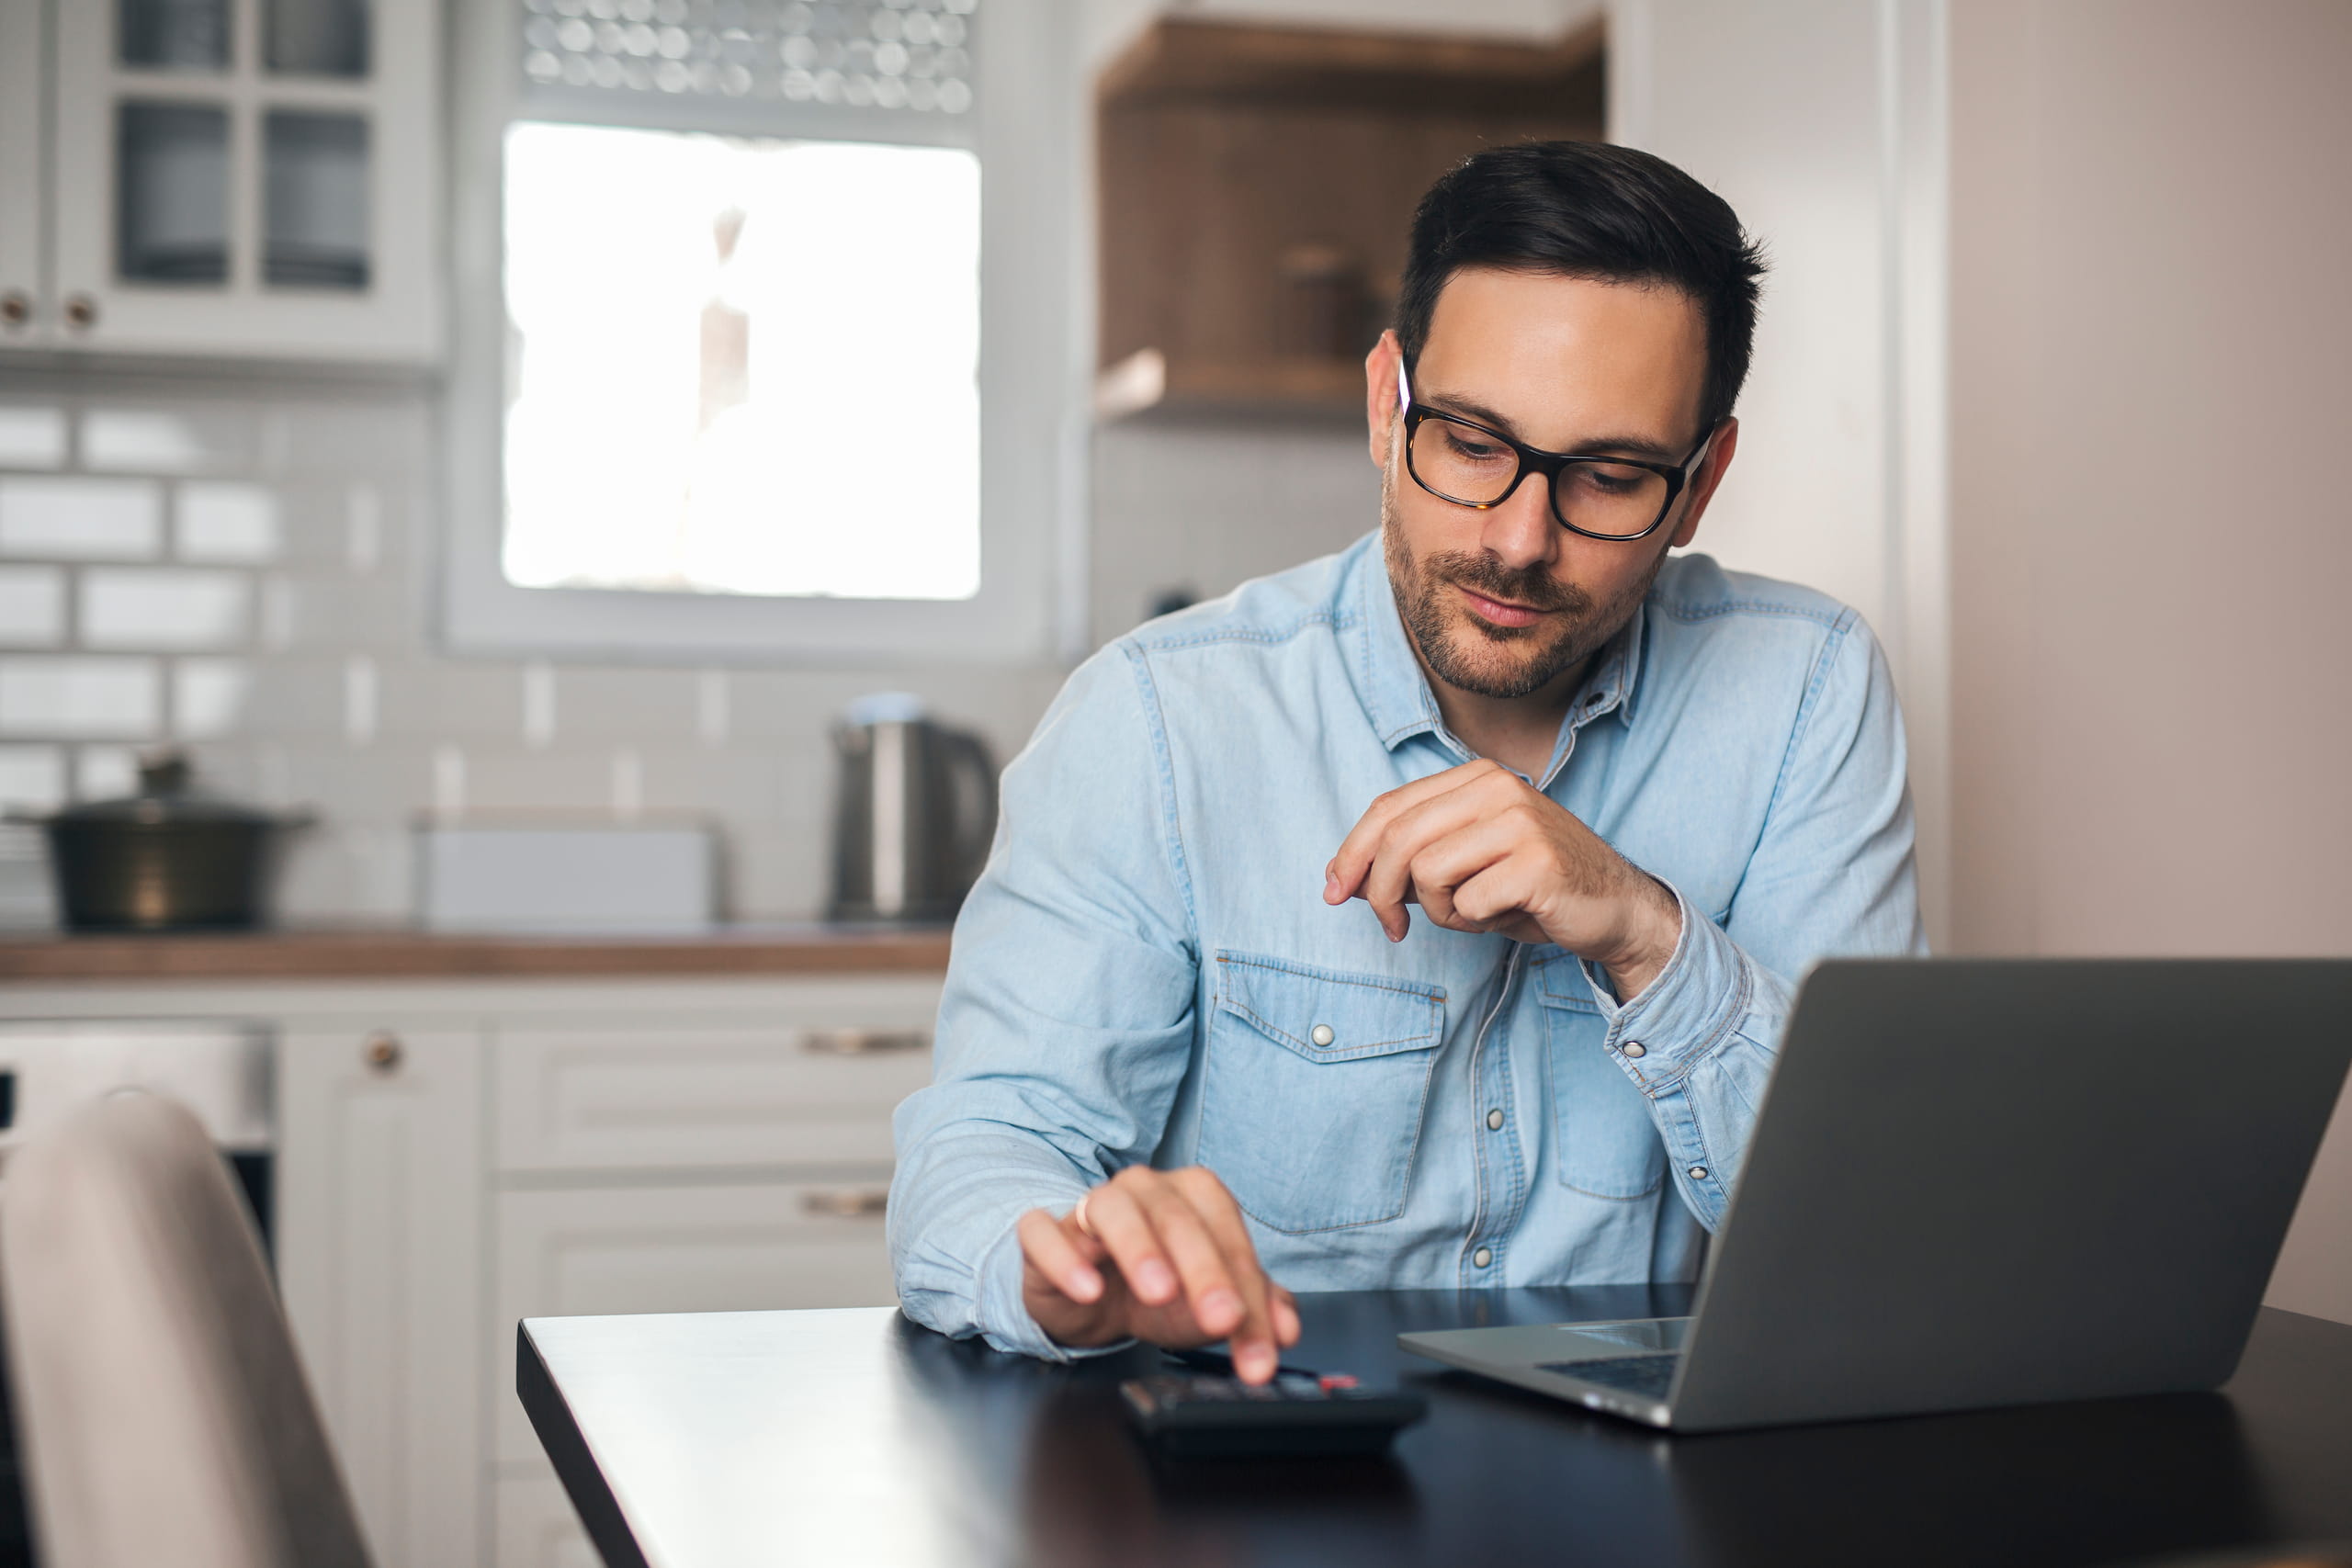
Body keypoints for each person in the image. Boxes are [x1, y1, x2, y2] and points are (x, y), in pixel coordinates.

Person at [888, 141, 1924, 1382]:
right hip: (1255, 1483)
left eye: (1609, 476)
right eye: (1474, 443)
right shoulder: (1157, 719)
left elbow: (1872, 1225)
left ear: (1699, 486)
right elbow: (983, 1149)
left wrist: (1646, 932)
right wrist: (1071, 1272)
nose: (1519, 540)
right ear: (1388, 406)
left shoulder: (1807, 691)